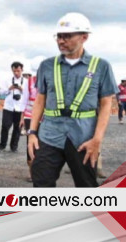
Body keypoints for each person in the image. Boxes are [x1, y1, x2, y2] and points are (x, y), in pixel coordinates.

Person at [28, 12, 118, 187]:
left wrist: (97, 140)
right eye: (59, 36)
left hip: (83, 137)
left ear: (84, 37)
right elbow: (40, 100)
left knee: (86, 186)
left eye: (67, 36)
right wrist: (32, 133)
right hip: (49, 134)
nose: (61, 41)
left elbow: (106, 104)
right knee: (41, 183)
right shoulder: (47, 66)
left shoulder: (101, 66)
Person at [21, 56, 45, 182]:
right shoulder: (29, 81)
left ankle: (42, 171)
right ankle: (32, 172)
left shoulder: (52, 81)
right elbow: (24, 100)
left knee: (44, 145)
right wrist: (22, 118)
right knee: (30, 144)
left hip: (47, 117)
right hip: (30, 116)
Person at [0, 61, 29, 152]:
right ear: (12, 70)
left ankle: (14, 147)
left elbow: (28, 94)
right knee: (5, 126)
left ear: (22, 70)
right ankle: (2, 146)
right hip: (9, 107)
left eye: (18, 71)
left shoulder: (26, 82)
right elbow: (1, 93)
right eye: (14, 71)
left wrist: (21, 89)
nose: (16, 73)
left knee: (17, 128)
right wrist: (9, 88)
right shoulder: (7, 80)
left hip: (20, 107)